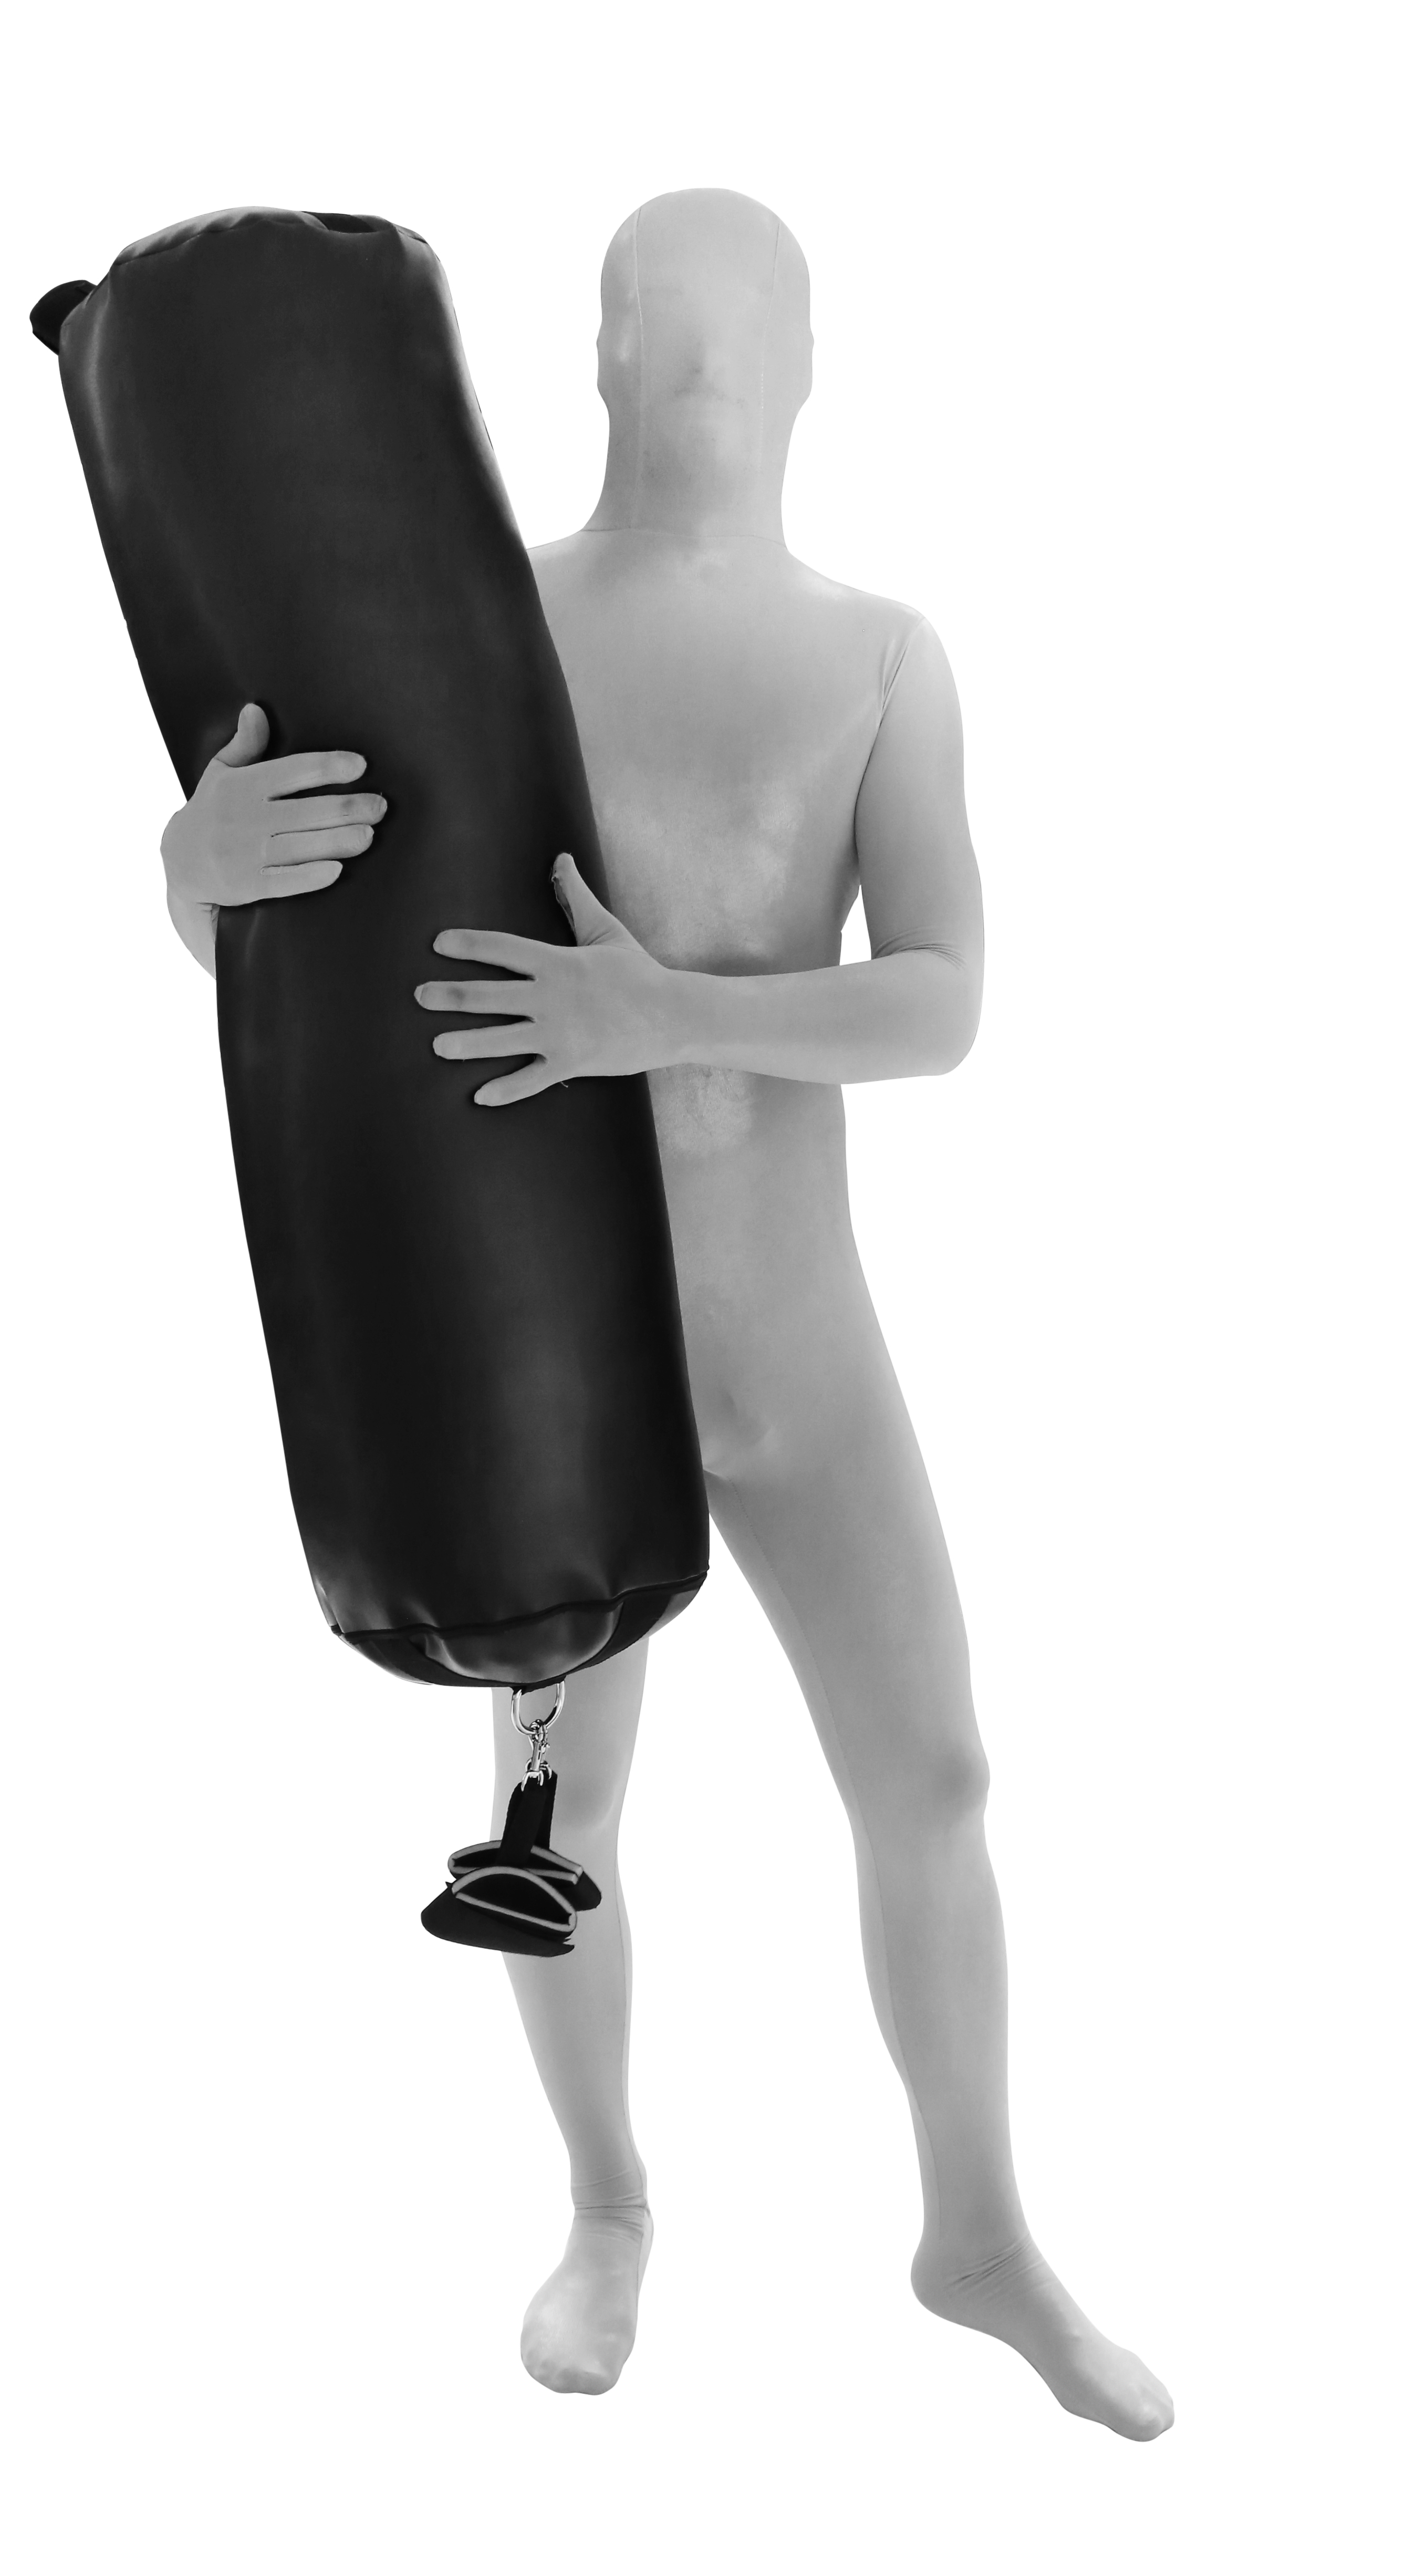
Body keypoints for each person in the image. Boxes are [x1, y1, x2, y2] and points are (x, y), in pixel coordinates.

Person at [159, 189, 1172, 2436]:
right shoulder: (468, 617)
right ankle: (607, 2204)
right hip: (559, 1357)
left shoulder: (880, 656)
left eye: (743, 311)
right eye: (657, 308)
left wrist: (663, 1009)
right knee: (559, 1820)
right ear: (595, 350)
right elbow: (305, 929)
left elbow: (942, 1001)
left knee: (934, 1771)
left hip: (801, 1351)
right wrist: (191, 868)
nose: (699, 346)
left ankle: (976, 2231)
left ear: (813, 357)